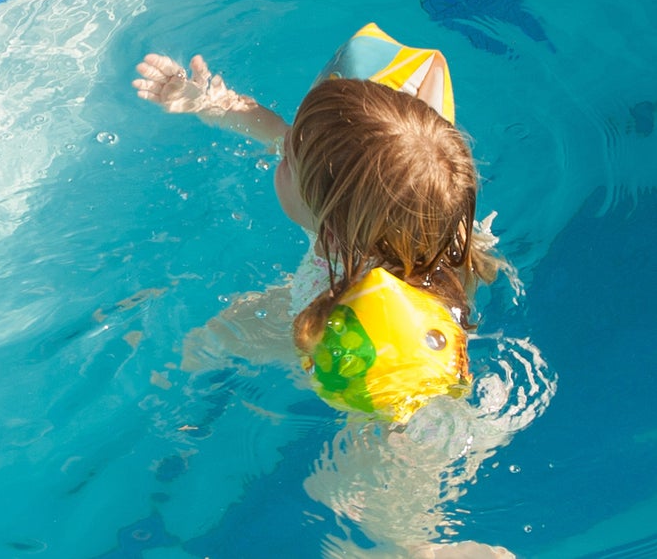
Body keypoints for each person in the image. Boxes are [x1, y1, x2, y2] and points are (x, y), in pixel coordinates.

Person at [132, 30, 528, 558]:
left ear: (333, 218)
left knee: (373, 510)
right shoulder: (387, 214)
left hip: (392, 382)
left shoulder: (377, 301)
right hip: (334, 306)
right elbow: (283, 135)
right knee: (221, 333)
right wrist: (209, 103)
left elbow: (399, 400)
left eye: (289, 162)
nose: (281, 153)